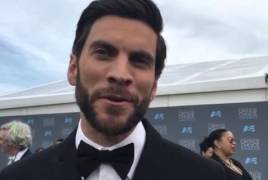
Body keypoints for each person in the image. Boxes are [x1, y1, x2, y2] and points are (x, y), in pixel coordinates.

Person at [0, 0, 227, 179]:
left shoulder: (207, 176)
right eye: (103, 52)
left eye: (139, 60)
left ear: (154, 85)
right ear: (72, 68)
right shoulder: (17, 176)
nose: (120, 74)